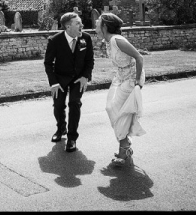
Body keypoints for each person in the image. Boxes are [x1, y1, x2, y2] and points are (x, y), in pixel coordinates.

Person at [96, 12, 145, 167]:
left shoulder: (117, 40)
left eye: (98, 22)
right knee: (111, 108)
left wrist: (137, 81)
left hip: (131, 77)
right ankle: (125, 142)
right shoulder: (108, 41)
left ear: (104, 26)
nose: (95, 24)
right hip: (120, 77)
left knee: (119, 111)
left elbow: (139, 57)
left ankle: (124, 148)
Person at [43, 11, 95, 152]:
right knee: (58, 105)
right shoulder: (55, 41)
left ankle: (72, 138)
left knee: (74, 104)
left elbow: (89, 60)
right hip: (60, 79)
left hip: (78, 79)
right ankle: (61, 129)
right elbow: (48, 63)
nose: (81, 25)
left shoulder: (86, 38)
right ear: (68, 26)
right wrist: (53, 83)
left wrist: (85, 76)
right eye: (77, 23)